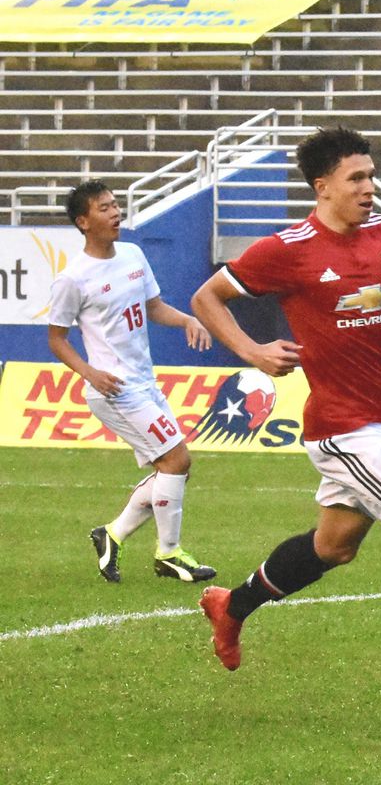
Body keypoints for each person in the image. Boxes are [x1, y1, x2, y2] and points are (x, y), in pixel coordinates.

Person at [190, 126, 381, 726]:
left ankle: (233, 606)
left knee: (332, 547)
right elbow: (208, 298)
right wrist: (253, 351)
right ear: (323, 187)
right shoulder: (287, 248)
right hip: (341, 429)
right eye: (356, 178)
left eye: (371, 176)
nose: (369, 188)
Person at [48, 180, 216, 585]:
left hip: (145, 381)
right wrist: (90, 372)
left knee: (174, 470)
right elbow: (56, 339)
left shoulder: (133, 255)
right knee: (176, 462)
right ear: (83, 221)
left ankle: (112, 534)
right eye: (104, 208)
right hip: (114, 389)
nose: (115, 213)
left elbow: (153, 307)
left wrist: (187, 320)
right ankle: (169, 554)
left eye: (115, 205)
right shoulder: (73, 278)